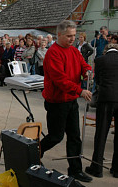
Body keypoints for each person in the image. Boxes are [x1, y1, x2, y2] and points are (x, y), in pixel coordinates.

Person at [40, 20, 93, 183]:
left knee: (75, 136)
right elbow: (60, 80)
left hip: (70, 100)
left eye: (74, 36)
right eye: (69, 36)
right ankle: (35, 151)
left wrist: (88, 72)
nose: (72, 39)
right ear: (60, 35)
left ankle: (75, 170)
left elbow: (84, 65)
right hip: (57, 101)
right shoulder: (53, 53)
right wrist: (80, 90)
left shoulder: (74, 51)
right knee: (56, 136)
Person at [85, 43, 118, 179]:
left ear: (106, 50)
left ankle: (96, 167)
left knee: (101, 134)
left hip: (106, 99)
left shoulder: (99, 60)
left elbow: (97, 80)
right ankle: (116, 169)